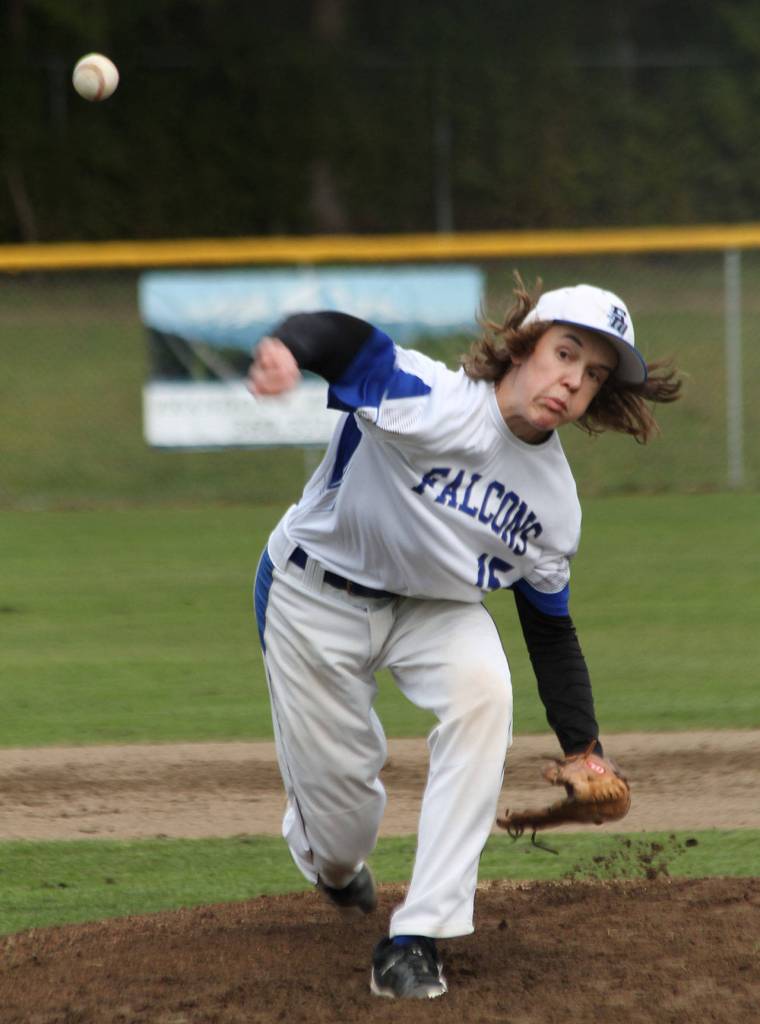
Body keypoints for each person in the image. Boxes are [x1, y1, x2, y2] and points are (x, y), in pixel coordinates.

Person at [247, 277, 681, 1000]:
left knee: (485, 694)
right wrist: (291, 348)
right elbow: (345, 341)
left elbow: (550, 629)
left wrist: (585, 745)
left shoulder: (554, 505)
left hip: (436, 608)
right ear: (524, 345)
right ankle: (332, 864)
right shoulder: (431, 398)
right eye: (565, 353)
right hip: (313, 592)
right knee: (342, 832)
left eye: (595, 374)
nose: (574, 381)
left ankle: (418, 935)